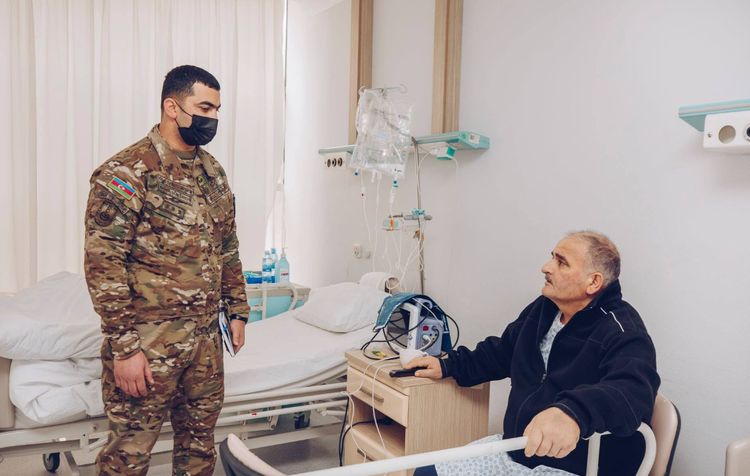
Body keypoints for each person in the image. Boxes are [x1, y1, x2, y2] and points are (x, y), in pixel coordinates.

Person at [83, 65, 250, 475]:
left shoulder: (212, 172)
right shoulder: (127, 171)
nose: (213, 118)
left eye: (218, 109)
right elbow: (104, 263)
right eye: (205, 108)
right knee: (128, 456)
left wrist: (237, 309)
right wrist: (125, 349)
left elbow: (227, 245)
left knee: (199, 451)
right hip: (149, 344)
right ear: (172, 107)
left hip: (205, 343)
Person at [406, 231, 660, 476]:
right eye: (552, 257)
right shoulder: (545, 309)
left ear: (593, 282)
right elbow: (503, 352)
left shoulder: (622, 330)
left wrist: (572, 412)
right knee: (427, 473)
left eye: (562, 263)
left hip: (575, 466)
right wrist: (449, 365)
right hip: (518, 451)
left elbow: (632, 391)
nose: (546, 268)